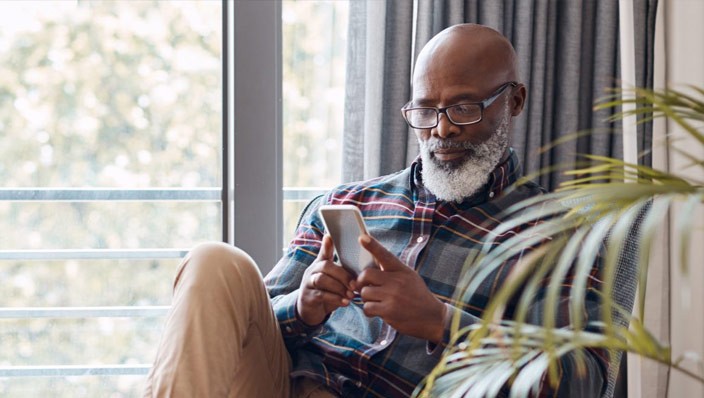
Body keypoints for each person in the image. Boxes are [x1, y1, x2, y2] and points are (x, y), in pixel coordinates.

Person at [144, 23, 607, 397]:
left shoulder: (557, 236)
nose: (441, 131)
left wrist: (442, 322)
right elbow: (245, 321)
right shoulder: (347, 203)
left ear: (514, 101)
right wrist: (302, 308)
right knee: (216, 261)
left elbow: (585, 380)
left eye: (463, 108)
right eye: (426, 111)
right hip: (284, 386)